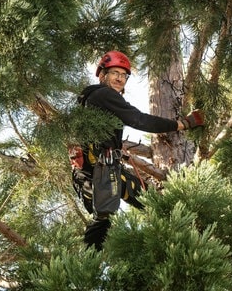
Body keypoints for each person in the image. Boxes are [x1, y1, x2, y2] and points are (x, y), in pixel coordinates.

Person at [76, 50, 204, 251]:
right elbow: (139, 119)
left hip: (98, 172)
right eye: (114, 73)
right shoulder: (103, 94)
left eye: (123, 75)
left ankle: (186, 240)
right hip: (101, 173)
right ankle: (86, 268)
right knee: (104, 219)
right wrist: (182, 124)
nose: (119, 78)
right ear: (102, 75)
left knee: (152, 200)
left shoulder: (89, 101)